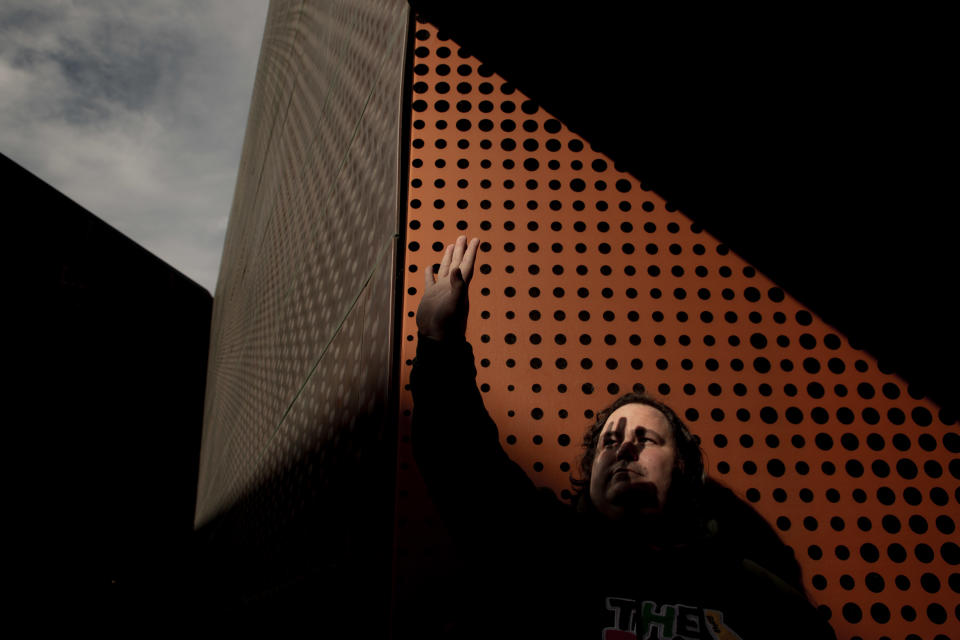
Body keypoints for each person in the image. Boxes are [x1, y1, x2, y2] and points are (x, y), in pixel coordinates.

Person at [411, 236, 836, 639]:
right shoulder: (542, 548)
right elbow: (461, 459)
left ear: (684, 466)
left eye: (646, 438)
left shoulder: (752, 592)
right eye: (608, 442)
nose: (624, 447)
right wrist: (438, 342)